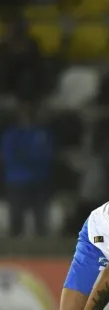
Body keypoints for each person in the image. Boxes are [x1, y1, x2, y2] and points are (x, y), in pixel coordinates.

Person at [1, 101, 53, 236]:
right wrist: (32, 156)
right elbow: (8, 155)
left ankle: (42, 244)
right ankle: (13, 244)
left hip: (39, 177)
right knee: (16, 215)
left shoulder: (42, 133)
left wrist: (26, 156)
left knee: (40, 215)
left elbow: (47, 154)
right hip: (17, 178)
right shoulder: (12, 134)